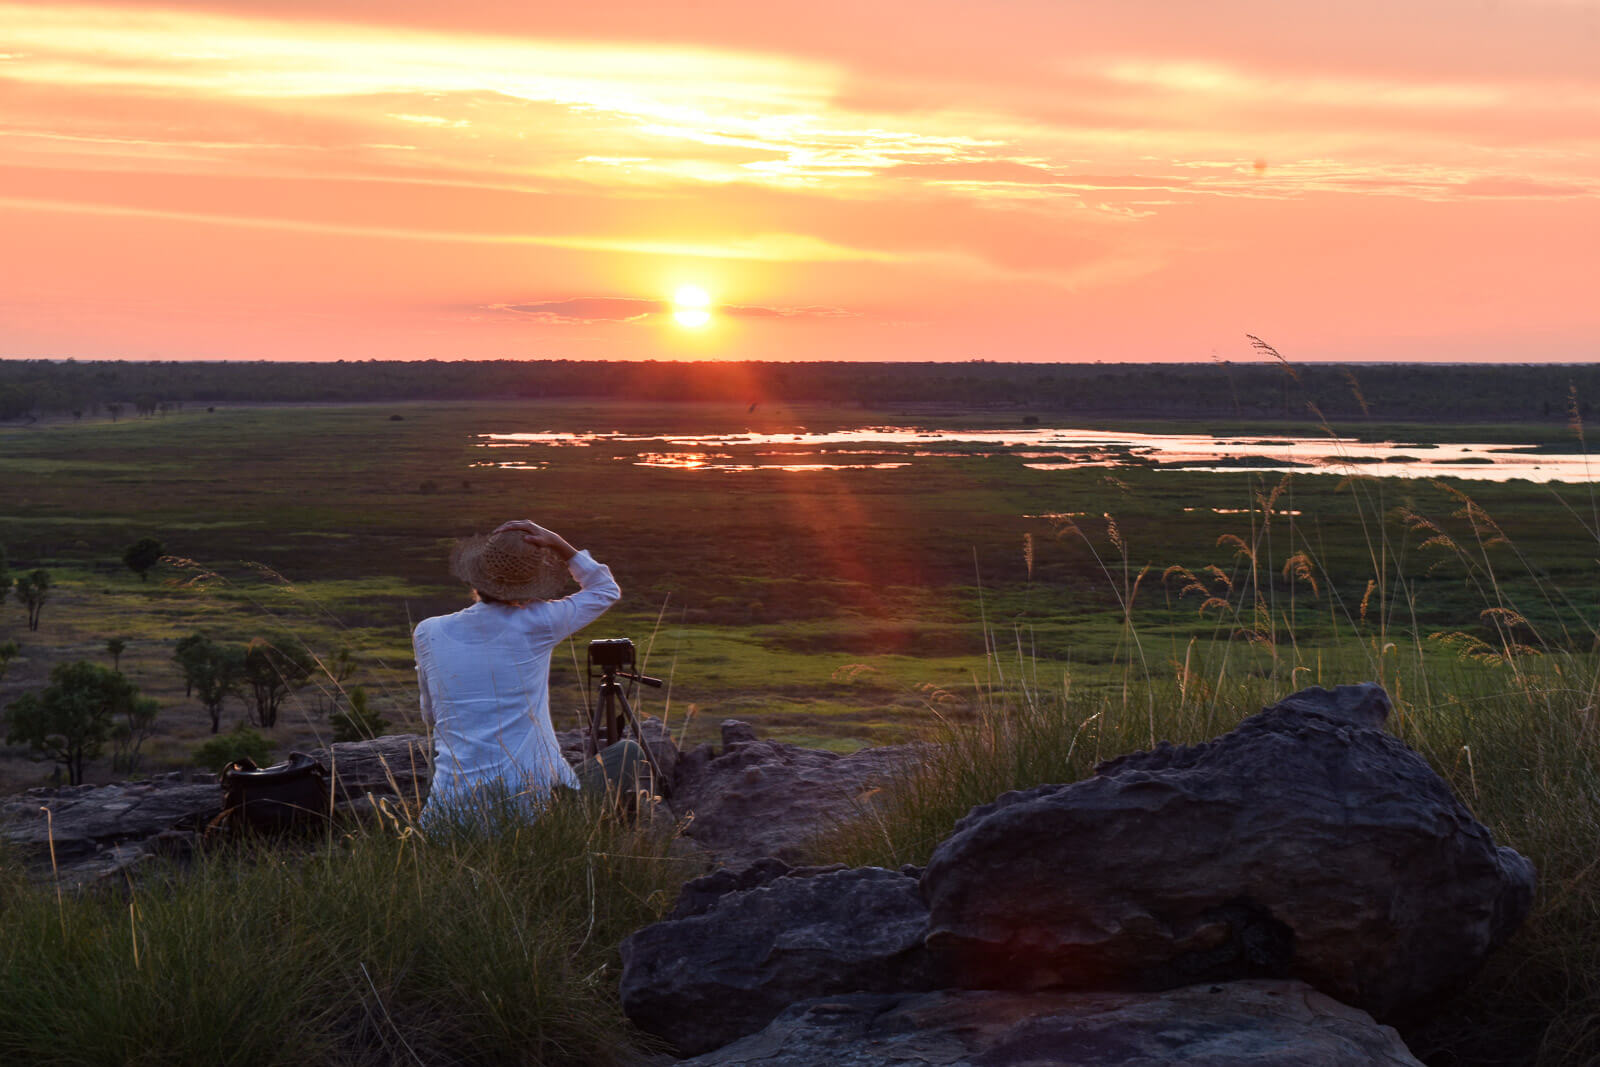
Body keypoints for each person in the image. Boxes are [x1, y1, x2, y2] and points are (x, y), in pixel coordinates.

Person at [412, 519, 641, 826]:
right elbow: (604, 590)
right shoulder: (538, 622)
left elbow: (430, 716)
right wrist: (560, 543)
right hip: (531, 815)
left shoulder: (428, 632)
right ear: (530, 586)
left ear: (476, 577)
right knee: (627, 752)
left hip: (447, 820)